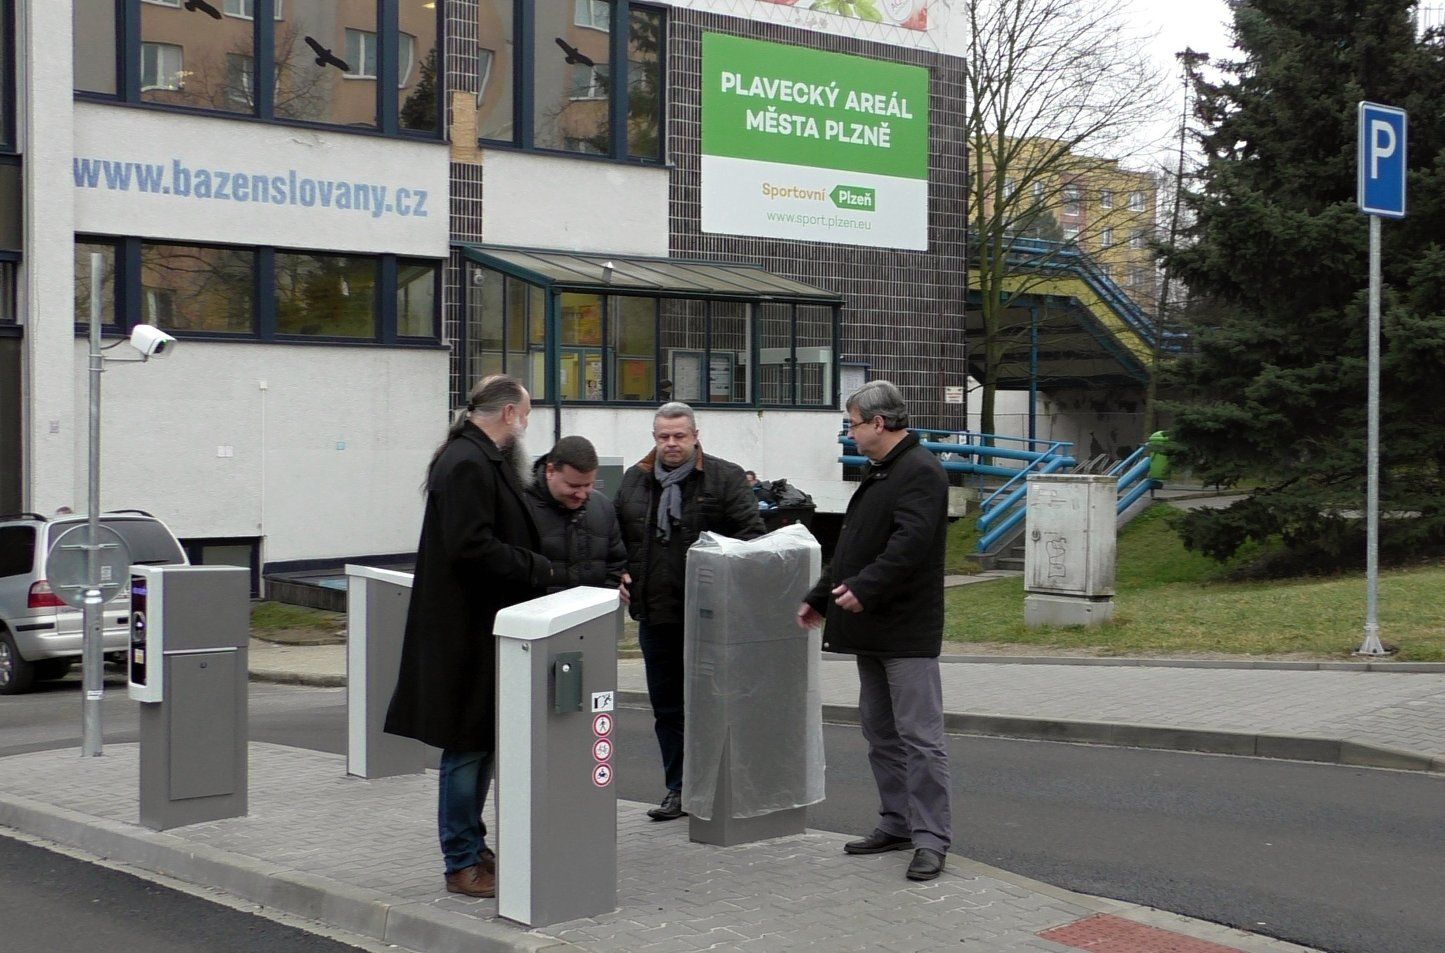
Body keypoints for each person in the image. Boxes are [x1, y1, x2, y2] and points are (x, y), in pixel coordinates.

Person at [384, 375, 559, 899]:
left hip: (479, 626)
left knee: (480, 744)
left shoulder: (476, 458)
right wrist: (537, 568)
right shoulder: (466, 462)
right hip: (464, 630)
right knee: (467, 747)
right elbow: (471, 545)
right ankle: (460, 859)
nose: (525, 425)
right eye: (525, 415)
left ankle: (472, 846)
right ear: (508, 414)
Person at [796, 380, 952, 882]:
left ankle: (931, 839)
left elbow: (911, 544)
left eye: (853, 423)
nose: (850, 432)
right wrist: (821, 596)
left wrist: (866, 587)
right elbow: (851, 549)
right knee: (881, 734)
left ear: (878, 424)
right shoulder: (881, 471)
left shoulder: (920, 471)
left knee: (920, 739)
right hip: (871, 627)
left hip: (906, 631)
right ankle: (897, 822)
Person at [615, 402, 765, 821]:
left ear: (696, 435)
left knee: (716, 707)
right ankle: (678, 790)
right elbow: (616, 539)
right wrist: (619, 574)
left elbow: (752, 538)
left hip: (711, 620)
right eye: (664, 436)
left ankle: (721, 791)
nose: (672, 444)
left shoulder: (724, 477)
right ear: (654, 438)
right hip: (656, 616)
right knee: (667, 710)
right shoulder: (635, 482)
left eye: (680, 436)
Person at [524, 435, 628, 594]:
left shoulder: (603, 507)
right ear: (550, 471)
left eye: (588, 485)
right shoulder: (522, 507)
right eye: (573, 486)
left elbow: (615, 565)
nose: (581, 494)